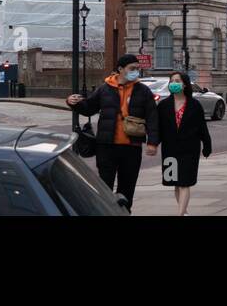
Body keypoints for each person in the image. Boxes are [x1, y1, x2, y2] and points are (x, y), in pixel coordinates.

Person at [66, 53, 158, 210]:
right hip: (106, 147)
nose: (136, 71)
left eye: (137, 68)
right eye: (132, 68)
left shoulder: (143, 91)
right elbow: (89, 108)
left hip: (131, 147)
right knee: (104, 188)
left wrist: (152, 143)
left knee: (127, 189)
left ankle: (124, 213)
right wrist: (72, 103)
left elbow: (152, 118)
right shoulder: (105, 89)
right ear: (121, 69)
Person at [156, 70, 212, 216]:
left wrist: (207, 145)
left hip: (189, 150)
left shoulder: (194, 105)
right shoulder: (163, 106)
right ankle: (185, 212)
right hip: (170, 149)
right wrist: (153, 143)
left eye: (178, 81)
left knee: (185, 182)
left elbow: (202, 128)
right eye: (172, 81)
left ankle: (180, 214)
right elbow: (157, 128)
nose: (174, 84)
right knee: (175, 182)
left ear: (185, 85)